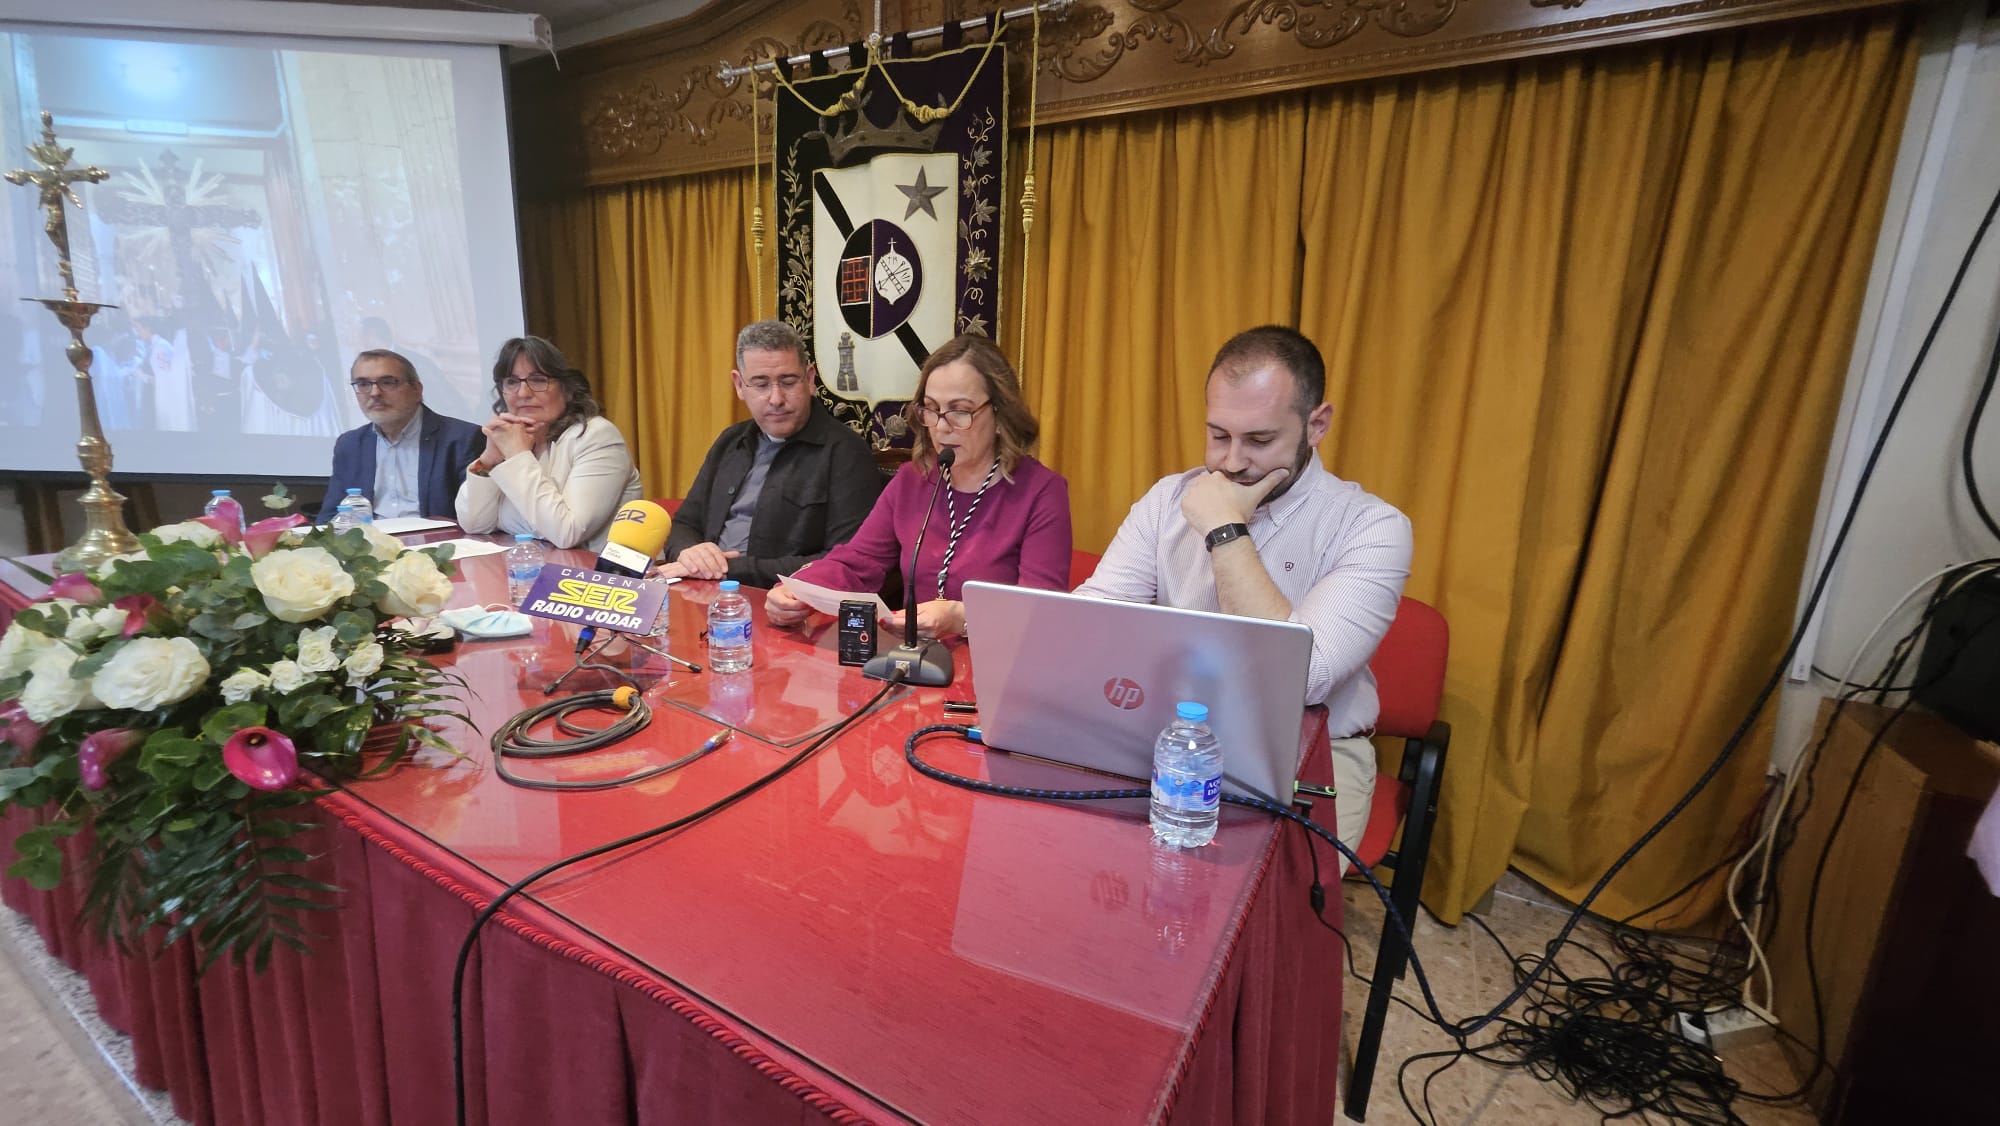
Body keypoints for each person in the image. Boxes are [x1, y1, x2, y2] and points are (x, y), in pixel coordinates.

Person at [1075, 326, 1412, 856]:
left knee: (1262, 915)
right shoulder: (1169, 500)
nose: (1231, 462)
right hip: (1172, 732)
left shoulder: (1371, 527)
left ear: (1316, 425)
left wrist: (1224, 531)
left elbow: (1301, 678)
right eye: (1218, 435)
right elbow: (1091, 617)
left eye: (1259, 441)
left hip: (1310, 753)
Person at [765, 334, 1071, 638]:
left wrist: (962, 617)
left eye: (960, 411)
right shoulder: (913, 479)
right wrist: (796, 590)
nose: (940, 427)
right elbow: (858, 562)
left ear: (1000, 413)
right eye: (931, 409)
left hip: (998, 664)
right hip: (915, 659)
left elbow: (1040, 612)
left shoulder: (1042, 492)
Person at [656, 321, 884, 586]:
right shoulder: (730, 441)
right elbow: (685, 522)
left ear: (810, 379)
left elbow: (845, 562)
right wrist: (690, 552)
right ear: (739, 385)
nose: (776, 399)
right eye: (761, 384)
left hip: (784, 602)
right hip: (702, 588)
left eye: (788, 382)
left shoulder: (846, 453)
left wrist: (732, 569)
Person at [454, 337, 643, 551]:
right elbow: (475, 524)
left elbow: (567, 533)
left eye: (538, 380)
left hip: (597, 577)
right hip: (529, 568)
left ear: (567, 389)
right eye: (512, 382)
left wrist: (517, 456)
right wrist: (489, 460)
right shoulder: (516, 438)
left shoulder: (596, 436)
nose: (523, 393)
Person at [319, 349, 483, 521]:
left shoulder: (463, 439)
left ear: (417, 390)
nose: (375, 393)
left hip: (438, 544)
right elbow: (330, 517)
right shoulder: (350, 444)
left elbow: (477, 520)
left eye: (388, 382)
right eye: (363, 385)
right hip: (369, 545)